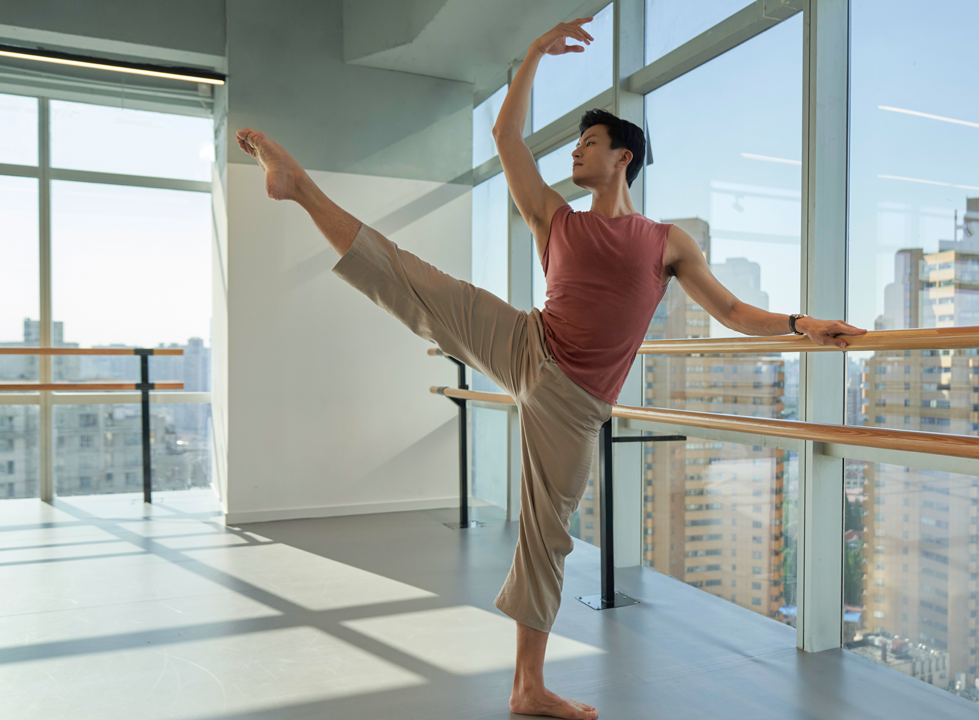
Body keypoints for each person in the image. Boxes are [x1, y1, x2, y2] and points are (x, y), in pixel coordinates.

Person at [236, 16, 866, 720]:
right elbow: (505, 139)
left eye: (589, 142)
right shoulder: (554, 218)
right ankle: (298, 186)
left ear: (623, 157)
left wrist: (803, 324)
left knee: (546, 534)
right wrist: (532, 54)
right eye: (575, 142)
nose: (575, 151)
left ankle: (526, 686)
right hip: (525, 342)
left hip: (573, 401)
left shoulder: (666, 241)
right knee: (412, 280)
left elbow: (730, 311)